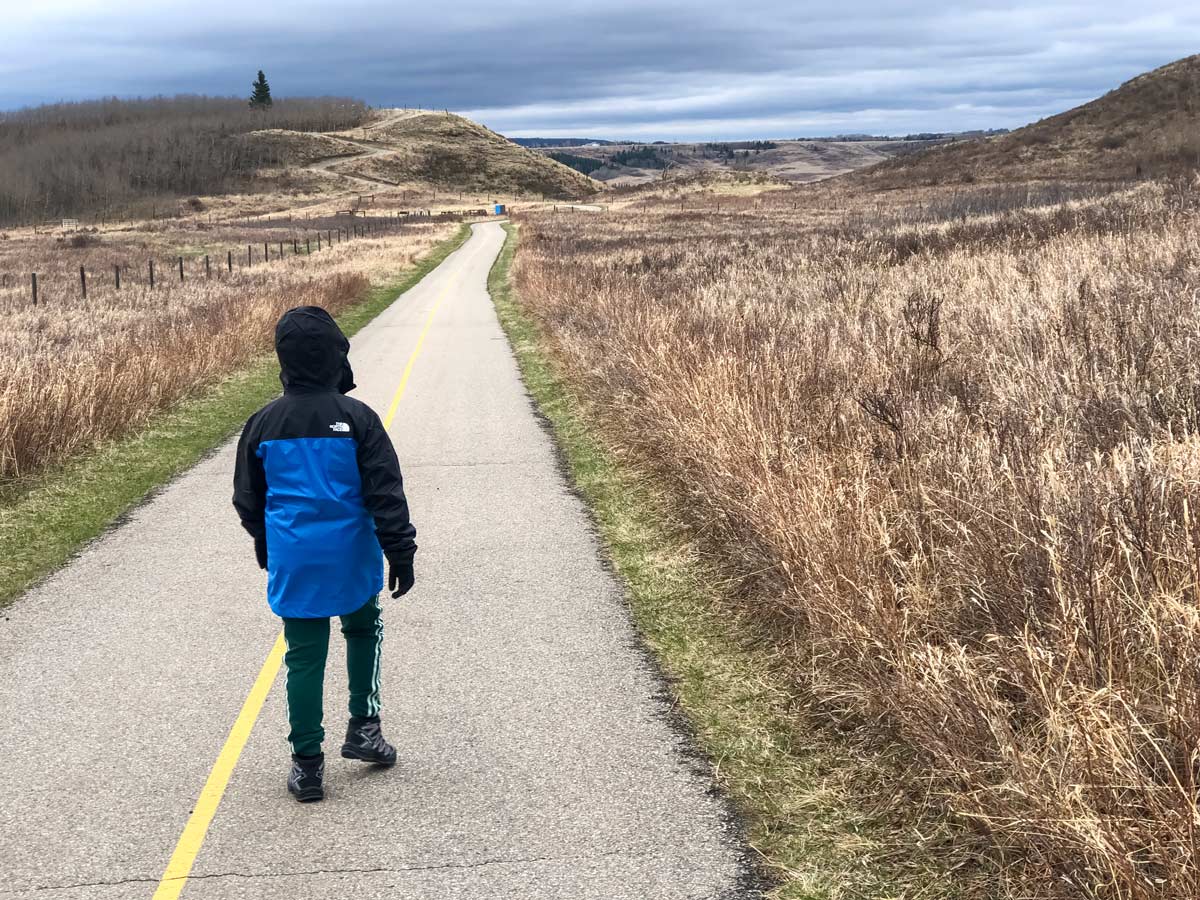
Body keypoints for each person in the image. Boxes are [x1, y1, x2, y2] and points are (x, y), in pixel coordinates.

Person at [233, 306, 417, 803]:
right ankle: (364, 728)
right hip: (352, 552)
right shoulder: (358, 420)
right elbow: (385, 493)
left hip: (295, 556)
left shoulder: (263, 423)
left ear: (284, 360)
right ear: (337, 355)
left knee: (304, 655)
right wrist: (400, 552)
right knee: (363, 629)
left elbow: (247, 499)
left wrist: (266, 543)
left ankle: (307, 764)